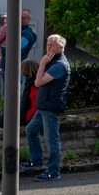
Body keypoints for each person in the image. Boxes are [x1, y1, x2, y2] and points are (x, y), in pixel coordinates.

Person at [25, 34, 71, 182]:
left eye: (52, 44)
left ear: (61, 47)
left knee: (52, 140)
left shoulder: (59, 65)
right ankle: (37, 162)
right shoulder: (53, 61)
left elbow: (38, 82)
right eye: (47, 43)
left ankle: (53, 172)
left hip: (51, 107)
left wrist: (43, 63)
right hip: (44, 105)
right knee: (31, 129)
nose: (48, 46)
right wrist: (45, 62)